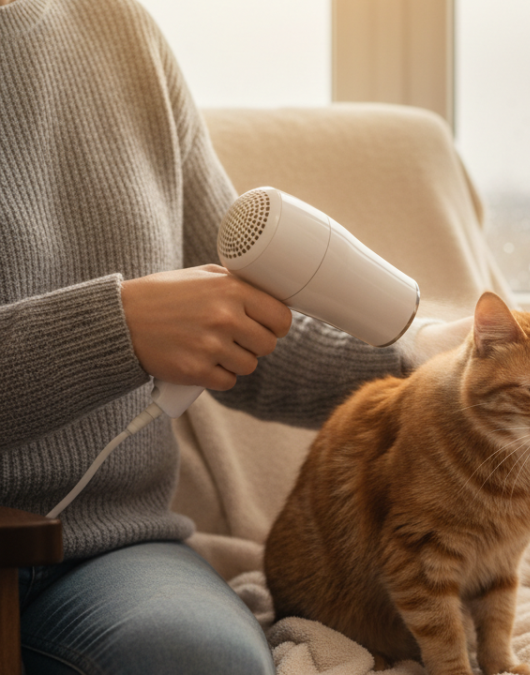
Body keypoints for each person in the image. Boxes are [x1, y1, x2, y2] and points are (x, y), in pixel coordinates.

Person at [0, 0, 468, 672]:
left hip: (108, 551)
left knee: (205, 660)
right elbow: (152, 323)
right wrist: (116, 328)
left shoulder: (117, 28)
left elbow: (238, 325)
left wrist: (424, 358)